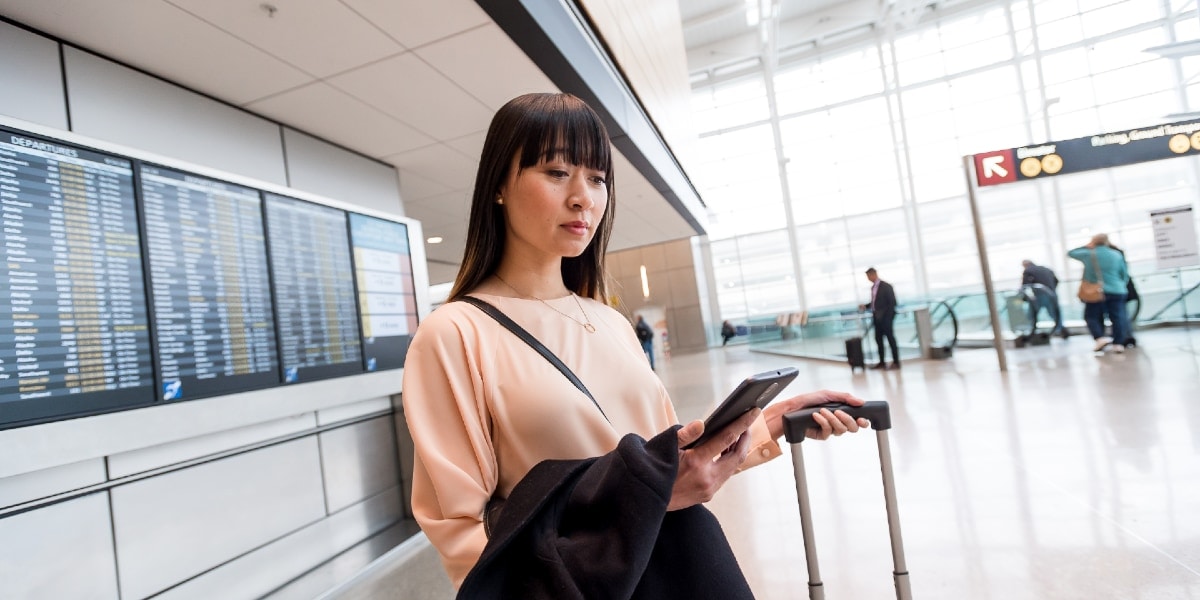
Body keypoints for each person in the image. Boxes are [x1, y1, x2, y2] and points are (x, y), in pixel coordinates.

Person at [401, 92, 870, 595]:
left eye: (598, 179)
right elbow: (463, 536)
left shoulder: (609, 320)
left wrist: (770, 420)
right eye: (557, 172)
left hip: (674, 568)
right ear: (498, 184)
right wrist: (635, 511)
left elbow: (664, 459)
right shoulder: (455, 333)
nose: (584, 197)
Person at [1067, 233, 1130, 353]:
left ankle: (1099, 338)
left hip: (1096, 291)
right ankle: (1118, 344)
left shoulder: (1089, 253)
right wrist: (1120, 284)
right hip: (1117, 289)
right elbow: (1124, 274)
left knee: (1091, 316)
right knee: (1118, 317)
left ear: (1093, 242)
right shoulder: (1116, 254)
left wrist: (1087, 246)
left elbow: (1070, 253)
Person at [858, 267, 899, 370]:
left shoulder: (886, 286)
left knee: (891, 340)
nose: (868, 278)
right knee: (878, 340)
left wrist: (888, 318)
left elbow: (892, 303)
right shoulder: (873, 288)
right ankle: (882, 362)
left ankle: (896, 362)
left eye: (868, 276)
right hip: (877, 318)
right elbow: (875, 303)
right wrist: (866, 306)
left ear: (873, 274)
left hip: (886, 319)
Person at [1020, 259, 1067, 338]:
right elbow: (1056, 280)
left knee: (1032, 314)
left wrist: (1024, 297)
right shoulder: (1046, 269)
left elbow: (1025, 285)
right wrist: (1052, 290)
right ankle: (1062, 330)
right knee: (1055, 314)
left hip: (1040, 294)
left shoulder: (1028, 271)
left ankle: (1032, 332)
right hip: (1052, 294)